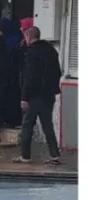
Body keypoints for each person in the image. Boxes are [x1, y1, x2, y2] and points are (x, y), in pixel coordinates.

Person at [18, 25, 63, 165]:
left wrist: (24, 97)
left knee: (27, 125)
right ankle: (54, 155)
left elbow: (29, 77)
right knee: (47, 125)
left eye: (25, 36)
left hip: (34, 96)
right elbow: (58, 72)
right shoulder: (51, 50)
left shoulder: (31, 52)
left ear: (28, 36)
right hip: (48, 95)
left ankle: (25, 156)